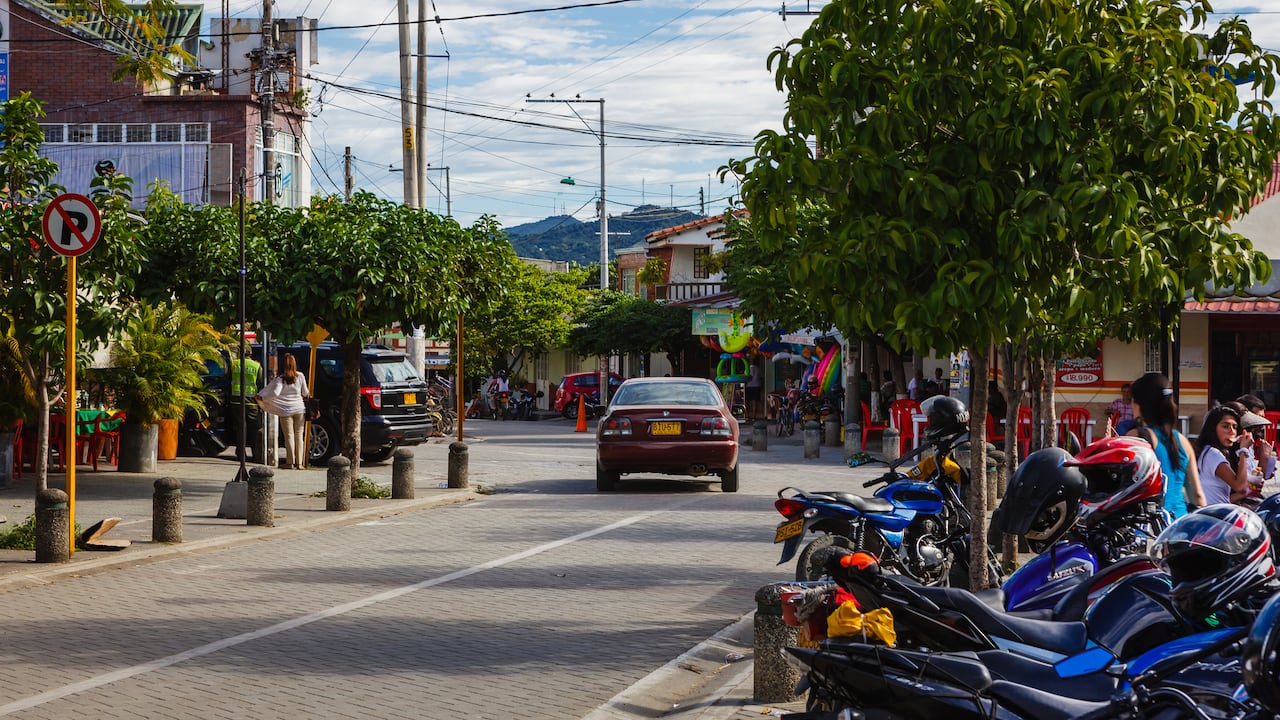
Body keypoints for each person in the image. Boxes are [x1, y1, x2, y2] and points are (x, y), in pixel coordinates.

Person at [1127, 372, 1205, 517]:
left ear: (1139, 404)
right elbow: (1197, 494)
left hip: (1149, 530)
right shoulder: (1182, 440)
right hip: (1179, 526)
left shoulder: (1137, 438)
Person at [255, 353, 310, 470]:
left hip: (285, 410)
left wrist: (263, 398)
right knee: (299, 436)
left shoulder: (281, 379)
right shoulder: (300, 376)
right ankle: (300, 463)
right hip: (300, 409)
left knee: (289, 436)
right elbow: (305, 393)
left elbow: (275, 393)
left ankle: (290, 462)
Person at [1195, 403, 1251, 507]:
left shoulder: (1210, 451)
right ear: (1213, 429)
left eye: (1234, 427)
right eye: (1225, 426)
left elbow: (1222, 498)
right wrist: (1243, 451)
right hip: (1215, 517)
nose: (1232, 431)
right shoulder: (1213, 454)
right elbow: (1240, 486)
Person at [227, 346, 262, 463]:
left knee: (241, 428)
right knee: (254, 429)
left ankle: (241, 453)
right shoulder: (256, 366)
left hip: (236, 401)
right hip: (252, 402)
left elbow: (228, 380)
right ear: (250, 353)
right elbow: (260, 384)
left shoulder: (233, 364)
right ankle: (256, 453)